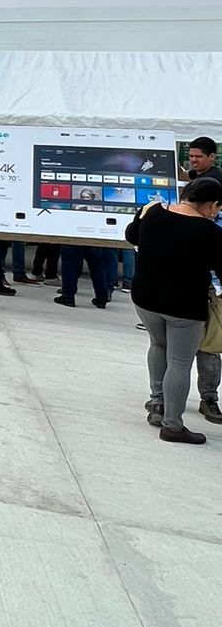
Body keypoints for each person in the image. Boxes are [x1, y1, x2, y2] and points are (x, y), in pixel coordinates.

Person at [126, 177, 222, 444]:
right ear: (211, 205)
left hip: (145, 298)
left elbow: (131, 236)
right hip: (184, 306)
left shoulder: (153, 212)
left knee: (158, 345)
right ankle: (173, 425)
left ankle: (158, 405)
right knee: (180, 361)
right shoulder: (210, 232)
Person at [181, 137, 222, 420]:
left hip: (209, 284)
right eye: (191, 156)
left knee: (207, 346)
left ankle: (209, 398)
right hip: (183, 281)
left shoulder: (217, 183)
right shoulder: (192, 177)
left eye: (198, 156)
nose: (193, 160)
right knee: (176, 348)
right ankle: (164, 398)